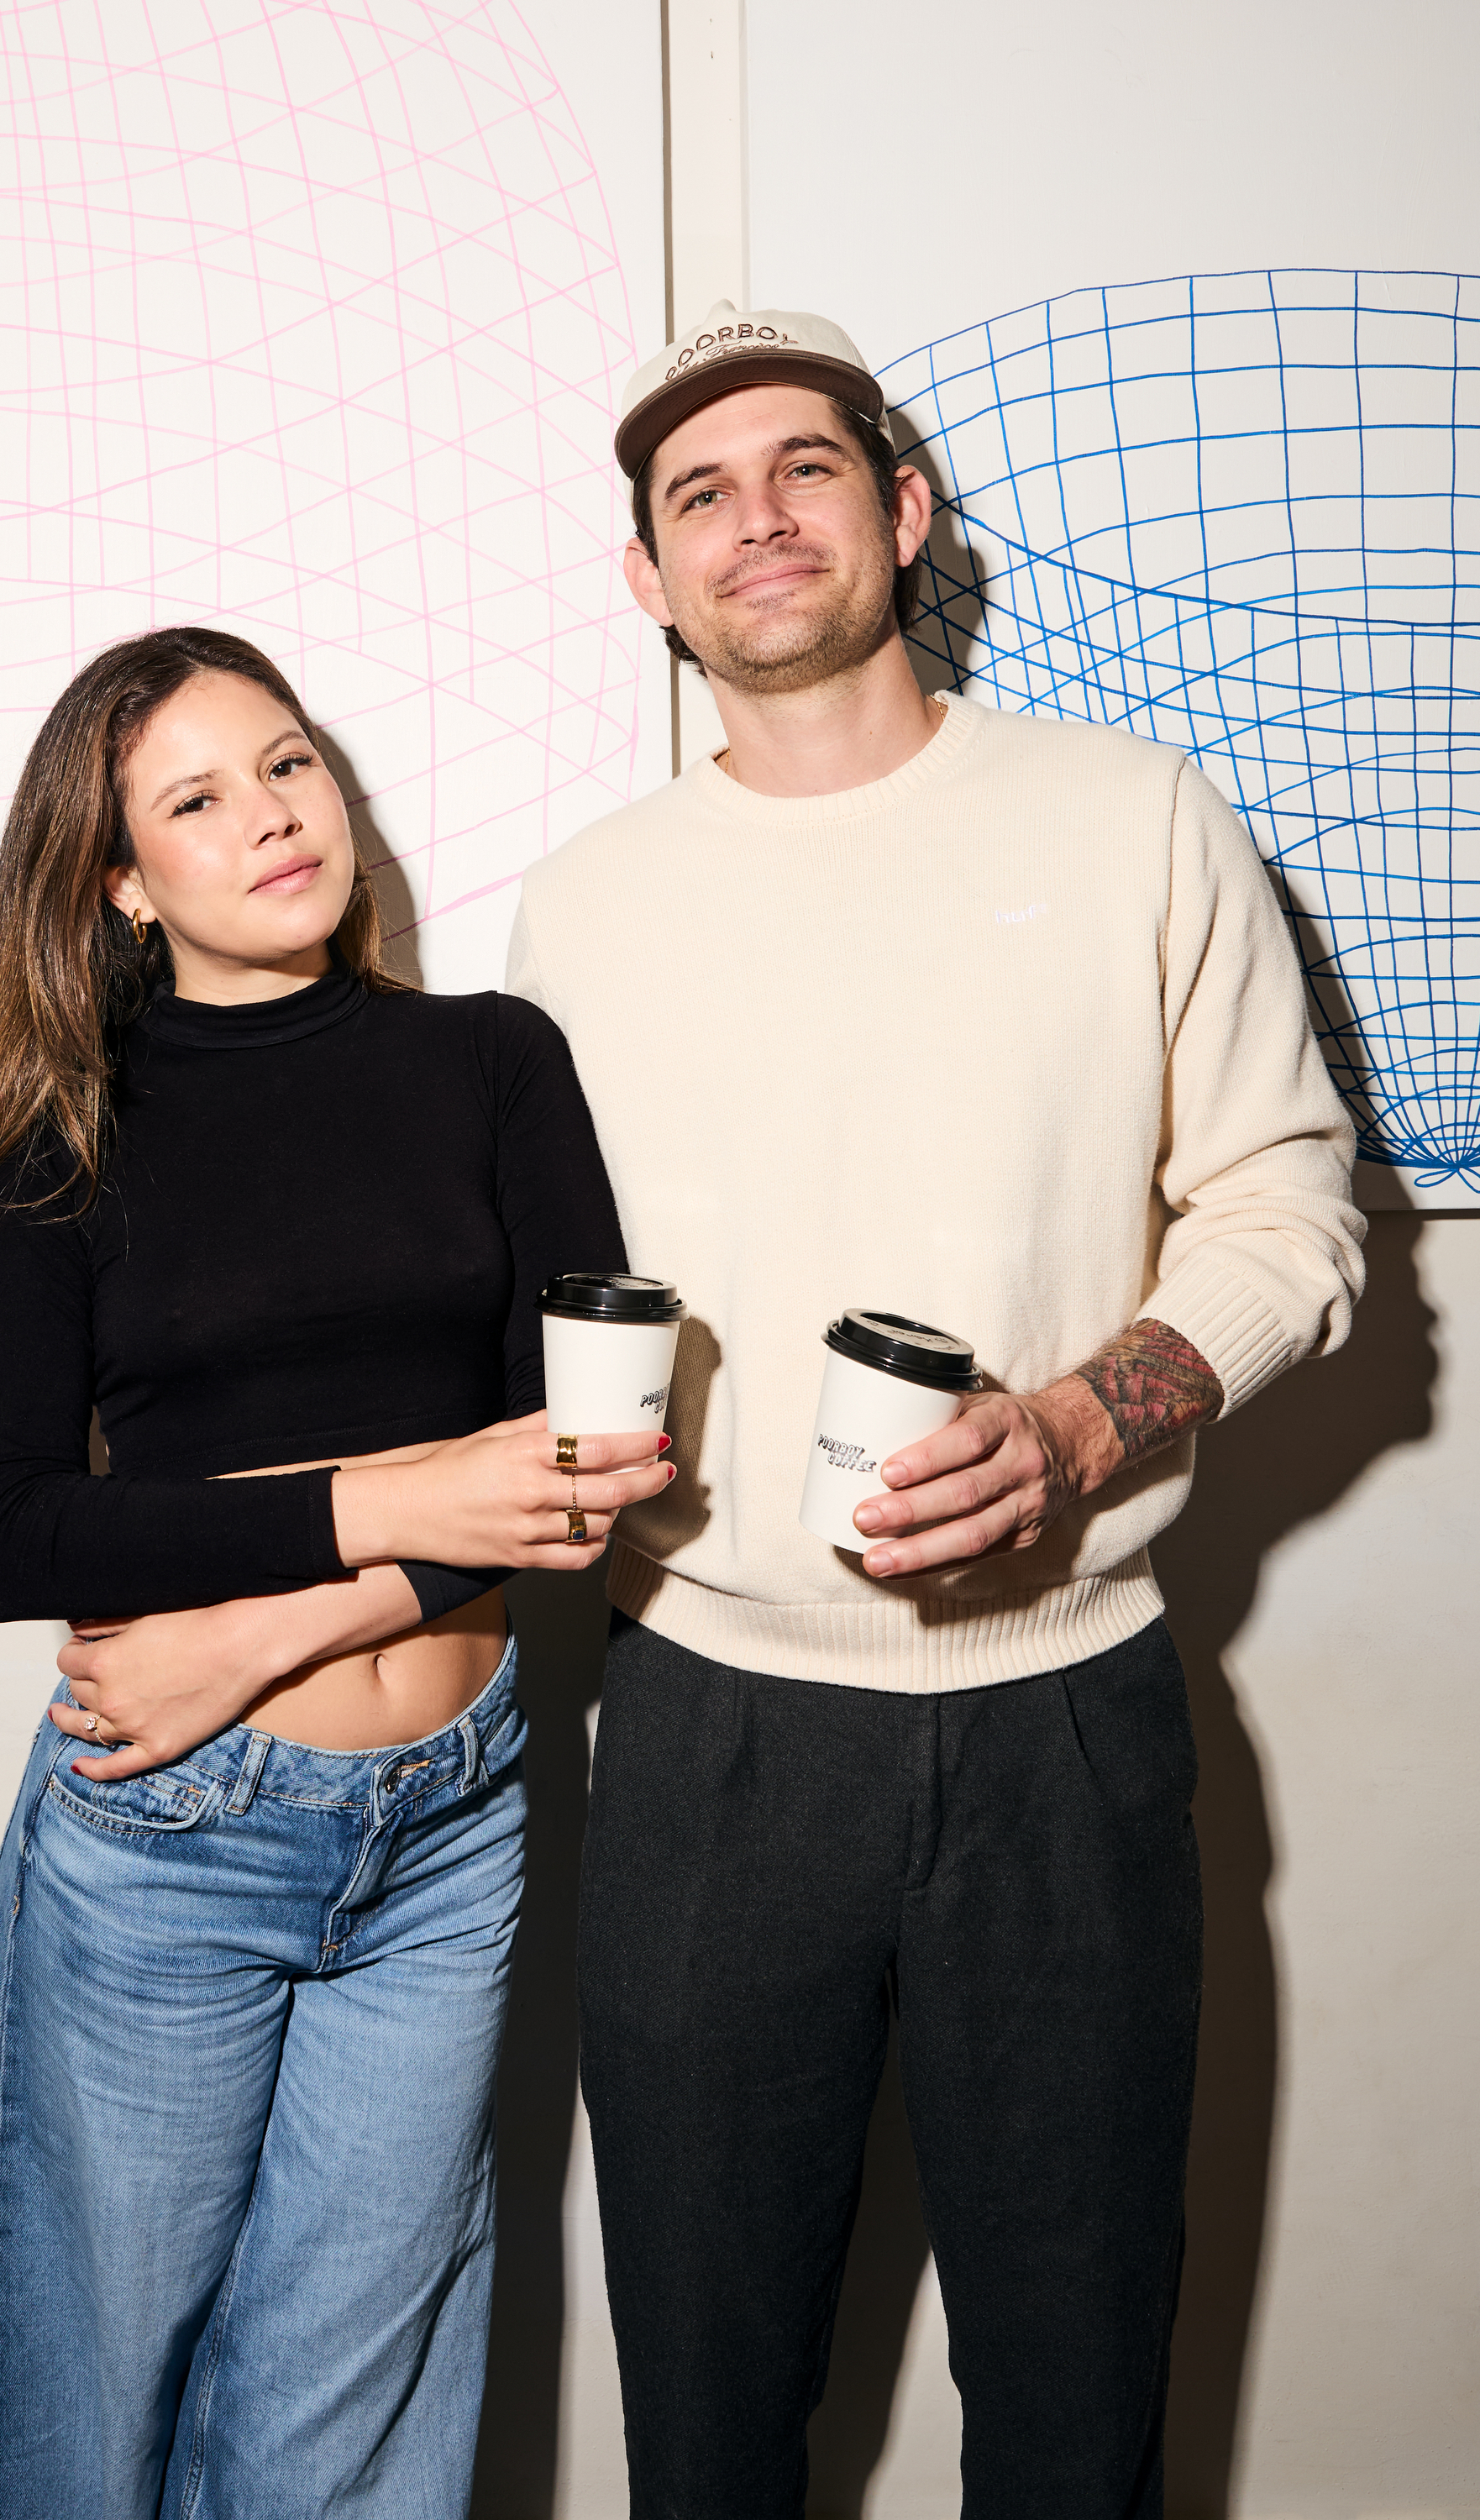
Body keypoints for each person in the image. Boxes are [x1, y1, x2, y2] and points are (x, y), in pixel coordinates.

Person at [506, 305, 1367, 2517]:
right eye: (696, 494)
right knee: (706, 2428)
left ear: (897, 515)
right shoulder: (583, 906)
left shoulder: (1132, 820)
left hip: (1066, 1728)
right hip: (705, 1730)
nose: (752, 519)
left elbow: (1288, 1206)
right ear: (648, 582)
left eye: (803, 468)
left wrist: (1089, 1425)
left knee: (1077, 2423)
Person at [0, 625, 669, 2520]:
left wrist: (265, 1625)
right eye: (195, 799)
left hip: (454, 1817)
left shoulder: (493, 1061)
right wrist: (399, 1505)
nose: (270, 817)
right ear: (116, 880)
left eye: (289, 763)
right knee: (92, 2413)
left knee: (358, 2425)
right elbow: (10, 1532)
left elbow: (573, 1472)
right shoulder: (53, 1130)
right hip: (175, 1816)